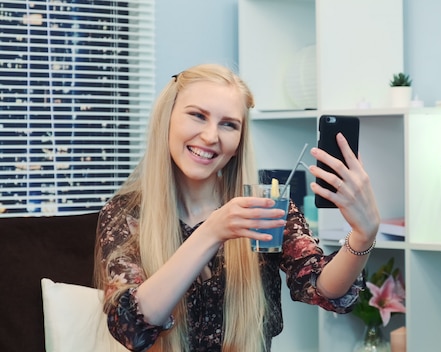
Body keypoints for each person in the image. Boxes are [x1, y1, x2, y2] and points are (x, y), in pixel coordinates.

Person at [94, 63, 380, 352]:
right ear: (166, 119)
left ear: (240, 139)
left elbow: (323, 287)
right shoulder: (125, 214)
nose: (210, 136)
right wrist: (212, 232)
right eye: (197, 115)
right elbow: (130, 326)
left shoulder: (265, 206)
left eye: (228, 124)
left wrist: (362, 236)